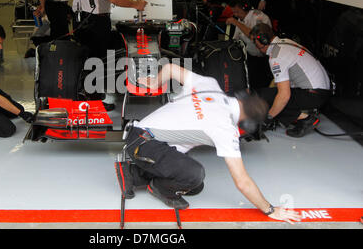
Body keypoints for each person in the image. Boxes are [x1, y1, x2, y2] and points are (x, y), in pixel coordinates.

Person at [115, 63, 302, 224]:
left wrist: (155, 82)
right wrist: (270, 209)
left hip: (139, 135)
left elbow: (170, 68)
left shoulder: (210, 84)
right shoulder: (226, 128)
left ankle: (133, 173)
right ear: (247, 123)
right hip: (144, 144)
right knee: (194, 174)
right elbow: (242, 181)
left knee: (195, 186)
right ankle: (154, 185)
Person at [71, 0, 147, 111]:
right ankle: (95, 101)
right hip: (97, 21)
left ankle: (82, 94)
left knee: (83, 58)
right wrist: (136, 4)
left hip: (78, 20)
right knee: (97, 59)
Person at [250, 23, 331, 137]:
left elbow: (284, 96)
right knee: (272, 93)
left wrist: (267, 119)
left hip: (314, 95)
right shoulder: (285, 42)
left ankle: (305, 118)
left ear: (263, 40)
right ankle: (302, 112)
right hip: (323, 92)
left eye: (254, 41)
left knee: (266, 97)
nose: (254, 45)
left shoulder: (276, 56)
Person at [226, 0, 272, 88]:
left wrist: (236, 23)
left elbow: (255, 37)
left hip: (261, 59)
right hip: (247, 57)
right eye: (234, 12)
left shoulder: (259, 17)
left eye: (237, 12)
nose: (235, 15)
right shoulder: (240, 19)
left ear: (244, 7)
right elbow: (235, 39)